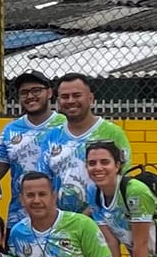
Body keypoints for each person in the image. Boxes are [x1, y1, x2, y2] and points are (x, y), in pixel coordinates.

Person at [44, 74, 134, 214]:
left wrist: (86, 216)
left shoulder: (112, 133)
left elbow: (122, 179)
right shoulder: (51, 137)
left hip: (103, 219)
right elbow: (44, 182)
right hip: (63, 221)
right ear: (59, 101)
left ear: (90, 98)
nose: (71, 101)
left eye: (76, 95)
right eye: (65, 97)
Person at [0, 70, 62, 221]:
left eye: (36, 90)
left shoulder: (65, 127)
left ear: (49, 93)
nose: (30, 96)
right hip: (19, 220)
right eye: (24, 92)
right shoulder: (10, 131)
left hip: (61, 221)